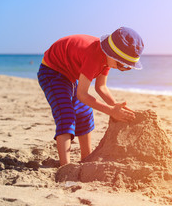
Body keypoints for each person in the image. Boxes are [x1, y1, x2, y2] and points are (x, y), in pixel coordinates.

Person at [37, 27, 144, 166]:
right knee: (66, 115)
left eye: (127, 67)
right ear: (111, 54)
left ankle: (86, 158)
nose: (121, 68)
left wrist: (115, 106)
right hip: (52, 72)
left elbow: (101, 87)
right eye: (121, 64)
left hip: (71, 74)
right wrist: (110, 111)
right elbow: (82, 94)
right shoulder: (93, 56)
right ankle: (65, 166)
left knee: (85, 112)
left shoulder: (107, 60)